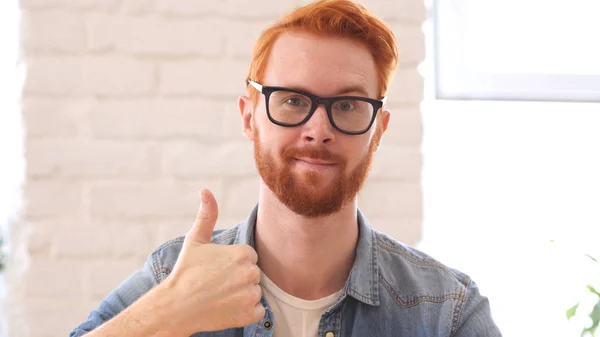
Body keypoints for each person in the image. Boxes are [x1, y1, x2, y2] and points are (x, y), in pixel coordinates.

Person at [70, 1, 502, 336]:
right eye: (293, 101)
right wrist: (163, 314)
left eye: (348, 105)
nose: (318, 130)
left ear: (379, 129)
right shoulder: (175, 278)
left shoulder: (446, 311)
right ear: (248, 117)